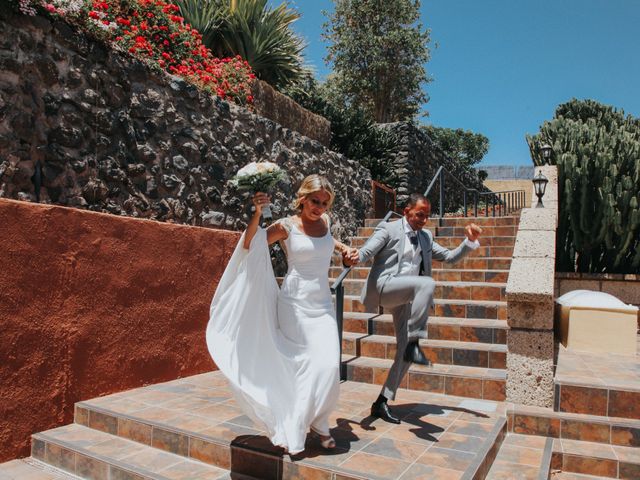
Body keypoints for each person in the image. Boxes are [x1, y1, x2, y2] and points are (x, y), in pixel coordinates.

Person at [206, 174, 358, 454]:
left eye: (325, 203)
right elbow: (252, 244)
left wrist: (344, 249)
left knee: (328, 366)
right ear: (302, 198)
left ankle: (319, 421)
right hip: (295, 304)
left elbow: (327, 241)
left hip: (322, 304)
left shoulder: (325, 222)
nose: (320, 208)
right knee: (301, 364)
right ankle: (303, 425)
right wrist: (258, 214)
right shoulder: (286, 226)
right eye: (315, 201)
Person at [347, 193, 483, 424]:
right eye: (420, 214)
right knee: (426, 283)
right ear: (406, 210)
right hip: (385, 287)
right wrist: (355, 256)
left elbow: (449, 257)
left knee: (406, 351)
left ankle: (382, 401)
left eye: (427, 216)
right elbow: (367, 251)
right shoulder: (388, 229)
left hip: (408, 296)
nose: (424, 220)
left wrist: (469, 241)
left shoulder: (426, 237)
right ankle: (417, 337)